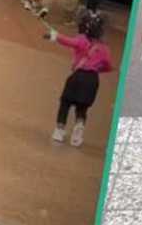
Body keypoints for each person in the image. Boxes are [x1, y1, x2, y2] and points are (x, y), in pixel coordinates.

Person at [47, 10, 113, 147]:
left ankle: (59, 130)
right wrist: (96, 68)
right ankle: (77, 134)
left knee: (65, 103)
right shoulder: (104, 49)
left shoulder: (81, 40)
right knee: (82, 108)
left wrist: (54, 35)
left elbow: (67, 41)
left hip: (77, 76)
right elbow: (108, 66)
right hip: (92, 80)